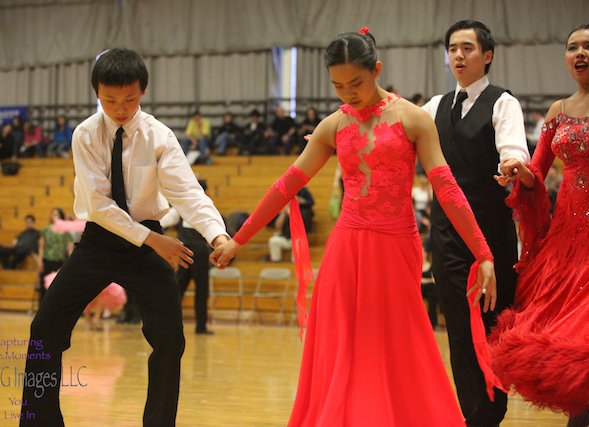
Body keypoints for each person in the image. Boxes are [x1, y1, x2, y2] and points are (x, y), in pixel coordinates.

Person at [211, 27, 497, 426]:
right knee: (345, 348)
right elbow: (285, 186)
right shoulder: (333, 126)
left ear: (376, 70)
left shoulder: (412, 119)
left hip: (396, 245)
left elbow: (447, 189)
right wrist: (237, 240)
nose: (348, 93)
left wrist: (483, 253)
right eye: (338, 85)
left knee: (399, 344)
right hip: (346, 248)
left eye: (357, 83)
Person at [19, 48, 229, 427]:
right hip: (100, 242)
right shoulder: (85, 134)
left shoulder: (159, 136)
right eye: (110, 99)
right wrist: (154, 243)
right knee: (44, 328)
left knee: (170, 339)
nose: (120, 107)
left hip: (148, 238)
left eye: (129, 99)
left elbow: (188, 193)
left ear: (143, 91)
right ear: (96, 93)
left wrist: (217, 236)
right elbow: (98, 206)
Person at [421, 20, 530, 427]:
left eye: (467, 48)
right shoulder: (433, 107)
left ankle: (489, 415)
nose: (458, 56)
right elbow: (393, 127)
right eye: (452, 49)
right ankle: (471, 416)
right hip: (446, 237)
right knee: (459, 335)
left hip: (491, 236)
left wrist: (512, 164)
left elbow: (513, 148)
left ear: (487, 55)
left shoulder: (503, 103)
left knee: (490, 329)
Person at [488, 24, 589, 427]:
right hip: (567, 240)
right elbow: (538, 170)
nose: (580, 53)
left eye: (588, 46)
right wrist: (519, 171)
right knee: (571, 338)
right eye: (572, 47)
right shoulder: (558, 111)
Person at [161, 179, 216, 335]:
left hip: (192, 252)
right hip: (188, 252)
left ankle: (197, 326)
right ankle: (189, 326)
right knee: (181, 289)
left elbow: (164, 221)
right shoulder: (194, 207)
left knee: (182, 289)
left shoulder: (187, 207)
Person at [267, 186, 314, 263]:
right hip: (286, 237)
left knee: (299, 243)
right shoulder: (284, 211)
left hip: (298, 237)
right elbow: (278, 226)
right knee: (273, 241)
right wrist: (283, 213)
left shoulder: (305, 212)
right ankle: (276, 262)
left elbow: (298, 224)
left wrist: (290, 211)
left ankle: (295, 264)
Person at [37, 208, 74, 302]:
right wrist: (40, 261)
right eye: (53, 214)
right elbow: (41, 246)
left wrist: (70, 263)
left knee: (58, 286)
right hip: (47, 260)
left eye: (57, 214)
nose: (55, 216)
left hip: (60, 261)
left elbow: (70, 248)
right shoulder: (45, 230)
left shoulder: (66, 231)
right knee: (44, 286)